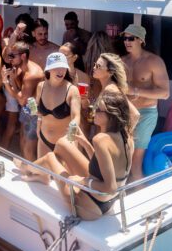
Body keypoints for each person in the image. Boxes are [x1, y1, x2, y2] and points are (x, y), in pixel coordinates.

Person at [15, 60, 134, 220]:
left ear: (111, 116)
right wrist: (85, 142)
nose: (93, 112)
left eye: (98, 110)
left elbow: (110, 188)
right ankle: (35, 171)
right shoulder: (127, 137)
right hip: (107, 201)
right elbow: (104, 166)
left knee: (51, 157)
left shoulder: (100, 139)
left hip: (90, 206)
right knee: (63, 144)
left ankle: (26, 168)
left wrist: (82, 181)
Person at [120, 24, 170, 182]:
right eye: (124, 38)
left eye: (131, 38)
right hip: (126, 113)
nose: (126, 41)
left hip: (146, 114)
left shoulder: (154, 61)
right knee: (123, 158)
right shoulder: (121, 61)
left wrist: (135, 91)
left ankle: (142, 196)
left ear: (141, 40)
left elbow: (165, 93)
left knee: (135, 163)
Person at [1, 41, 44, 161]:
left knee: (28, 149)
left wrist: (6, 81)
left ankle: (37, 174)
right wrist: (13, 80)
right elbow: (20, 92)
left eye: (12, 56)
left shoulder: (31, 75)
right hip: (27, 109)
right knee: (22, 142)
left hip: (35, 113)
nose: (10, 59)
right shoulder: (21, 69)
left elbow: (20, 99)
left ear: (23, 56)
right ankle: (28, 171)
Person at [34, 52, 81, 157]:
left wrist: (72, 134)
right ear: (48, 69)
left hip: (65, 143)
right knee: (42, 173)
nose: (61, 71)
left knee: (62, 174)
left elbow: (76, 116)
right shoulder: (41, 86)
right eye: (56, 68)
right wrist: (37, 123)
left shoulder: (72, 90)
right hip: (43, 139)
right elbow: (38, 111)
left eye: (63, 68)